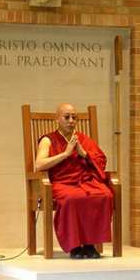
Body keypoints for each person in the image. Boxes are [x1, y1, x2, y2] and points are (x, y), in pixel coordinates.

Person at [35, 103, 113, 259]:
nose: (71, 121)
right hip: (62, 182)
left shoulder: (83, 139)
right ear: (56, 119)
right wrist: (65, 154)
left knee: (104, 195)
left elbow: (101, 161)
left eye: (74, 117)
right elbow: (39, 164)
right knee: (72, 198)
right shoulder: (48, 140)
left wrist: (84, 153)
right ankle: (75, 246)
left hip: (84, 180)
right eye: (66, 117)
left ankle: (90, 245)